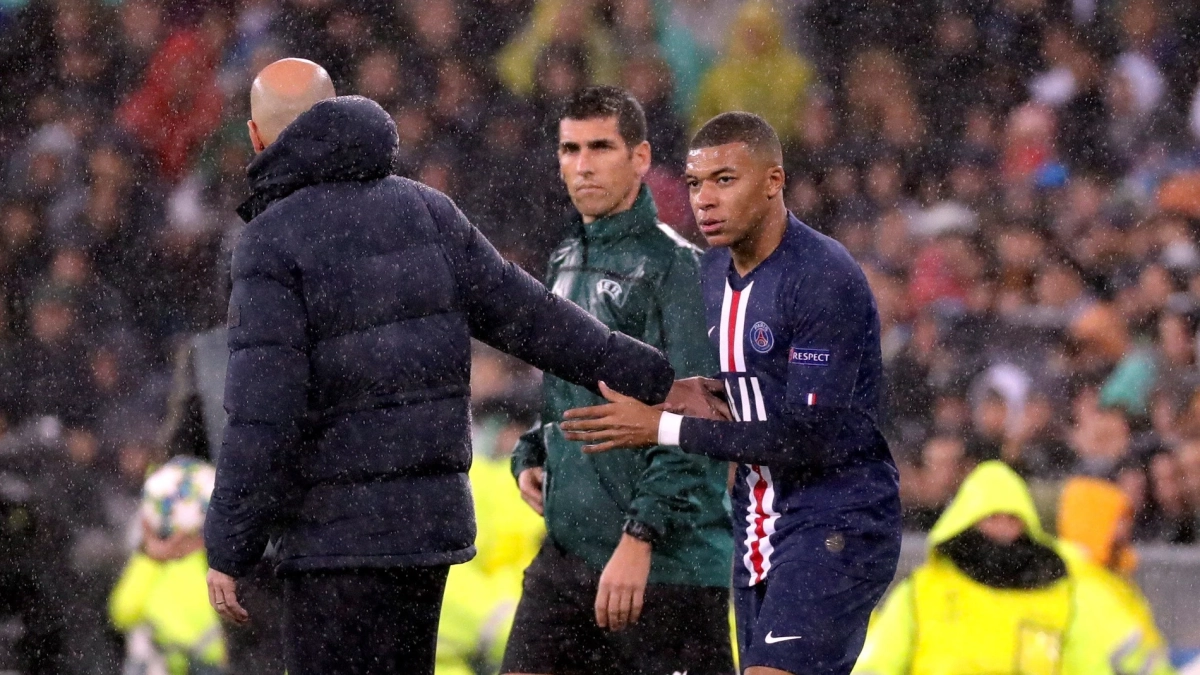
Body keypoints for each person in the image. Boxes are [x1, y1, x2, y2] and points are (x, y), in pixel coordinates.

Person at [202, 59, 677, 675]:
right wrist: (653, 375)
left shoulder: (268, 242)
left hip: (331, 541)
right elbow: (533, 317)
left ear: (257, 137)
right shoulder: (428, 212)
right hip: (423, 534)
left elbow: (263, 415)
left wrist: (230, 544)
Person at [562, 111, 902, 675]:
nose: (704, 200)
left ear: (774, 182)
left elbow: (808, 439)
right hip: (755, 520)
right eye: (696, 184)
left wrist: (662, 428)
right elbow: (760, 381)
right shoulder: (711, 271)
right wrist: (698, 390)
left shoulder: (822, 277)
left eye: (725, 179)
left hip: (837, 517)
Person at [501, 86, 734, 675]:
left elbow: (702, 417)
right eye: (570, 148)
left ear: (640, 158)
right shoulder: (564, 260)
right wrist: (534, 452)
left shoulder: (676, 268)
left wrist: (640, 538)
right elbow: (562, 396)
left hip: (664, 571)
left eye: (600, 146)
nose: (582, 164)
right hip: (570, 558)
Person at [852, 461, 1173, 675]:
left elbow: (1096, 663)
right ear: (966, 524)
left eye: (1012, 518)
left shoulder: (1062, 597)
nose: (1004, 529)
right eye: (993, 518)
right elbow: (877, 665)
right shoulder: (922, 593)